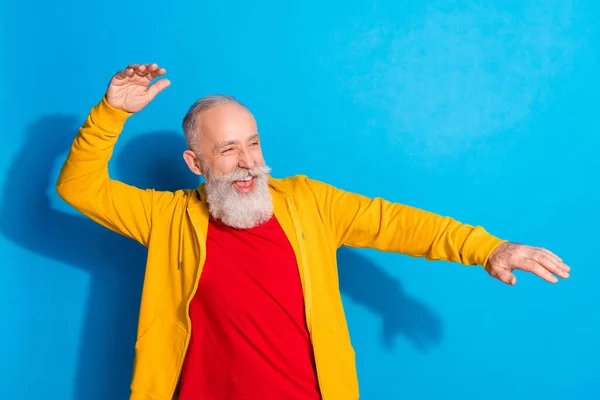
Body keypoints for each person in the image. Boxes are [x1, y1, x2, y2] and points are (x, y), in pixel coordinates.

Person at [56, 63, 570, 400]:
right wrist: (109, 115)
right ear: (195, 162)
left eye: (253, 145)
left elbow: (396, 222)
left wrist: (489, 248)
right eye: (228, 150)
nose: (247, 163)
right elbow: (79, 188)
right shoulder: (165, 218)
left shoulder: (307, 202)